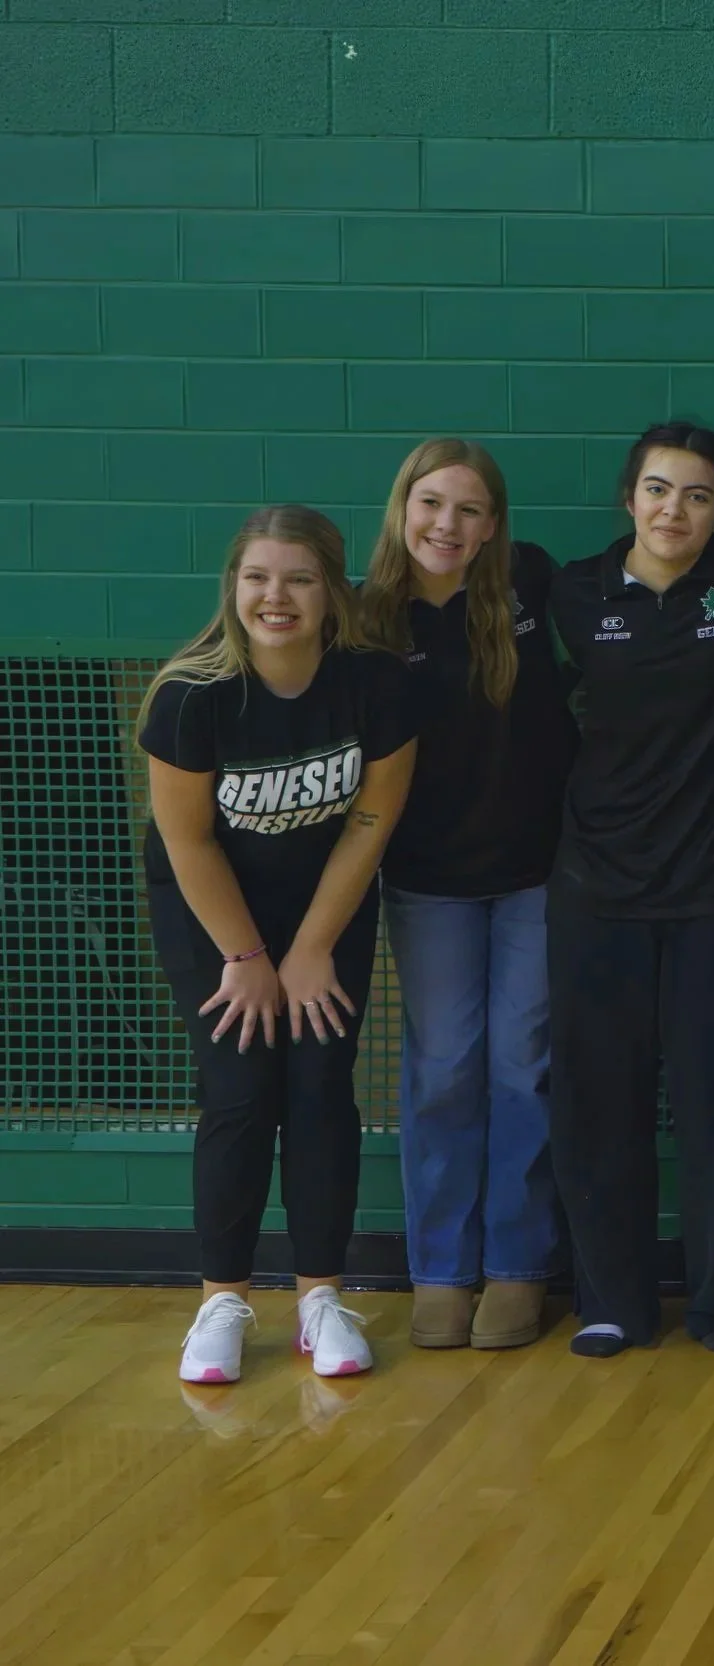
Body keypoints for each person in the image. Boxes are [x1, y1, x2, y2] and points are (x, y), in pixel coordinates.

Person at [144, 505, 418, 1384]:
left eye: (299, 578)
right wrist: (251, 958)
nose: (276, 596)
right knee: (237, 1089)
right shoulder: (191, 694)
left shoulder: (373, 684)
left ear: (332, 594)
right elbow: (187, 841)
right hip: (214, 916)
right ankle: (221, 1301)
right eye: (258, 577)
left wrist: (308, 950)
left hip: (324, 911)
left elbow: (371, 821)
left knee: (319, 1086)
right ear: (233, 588)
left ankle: (320, 1298)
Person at [543, 422, 714, 1358]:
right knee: (599, 1099)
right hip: (595, 885)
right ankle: (612, 1298)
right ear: (627, 497)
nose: (672, 509)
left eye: (696, 495)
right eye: (655, 489)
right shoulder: (572, 593)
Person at [357, 440, 573, 1351]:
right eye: (431, 504)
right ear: (403, 507)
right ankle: (441, 1270)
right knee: (445, 1067)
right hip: (427, 881)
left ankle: (518, 1269)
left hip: (535, 873)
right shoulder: (366, 620)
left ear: (495, 525)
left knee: (523, 1066)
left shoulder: (530, 586)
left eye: (470, 510)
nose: (448, 525)